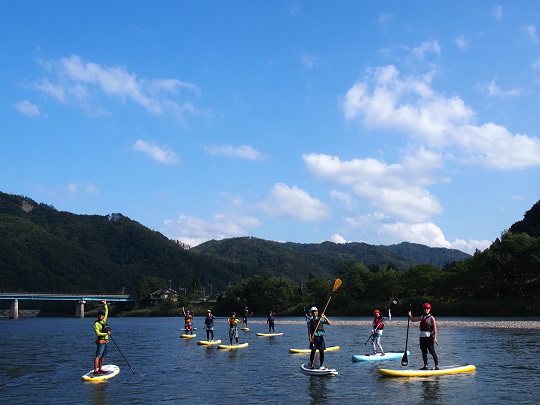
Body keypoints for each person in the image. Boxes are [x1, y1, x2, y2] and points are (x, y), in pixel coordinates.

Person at [408, 302, 439, 370]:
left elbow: (435, 328)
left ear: (429, 310)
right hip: (422, 337)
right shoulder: (422, 317)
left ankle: (436, 365)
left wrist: (435, 338)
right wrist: (410, 316)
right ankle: (426, 365)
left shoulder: (431, 318)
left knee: (431, 351)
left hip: (429, 337)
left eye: (427, 309)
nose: (426, 310)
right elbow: (413, 320)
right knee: (423, 352)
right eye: (425, 309)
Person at [93, 299, 110, 375]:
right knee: (98, 356)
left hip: (105, 341)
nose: (101, 316)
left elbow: (107, 312)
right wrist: (106, 333)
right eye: (99, 315)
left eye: (102, 315)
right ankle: (95, 370)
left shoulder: (104, 321)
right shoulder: (96, 324)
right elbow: (98, 333)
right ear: (98, 316)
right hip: (100, 341)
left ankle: (100, 369)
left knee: (103, 356)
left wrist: (105, 304)